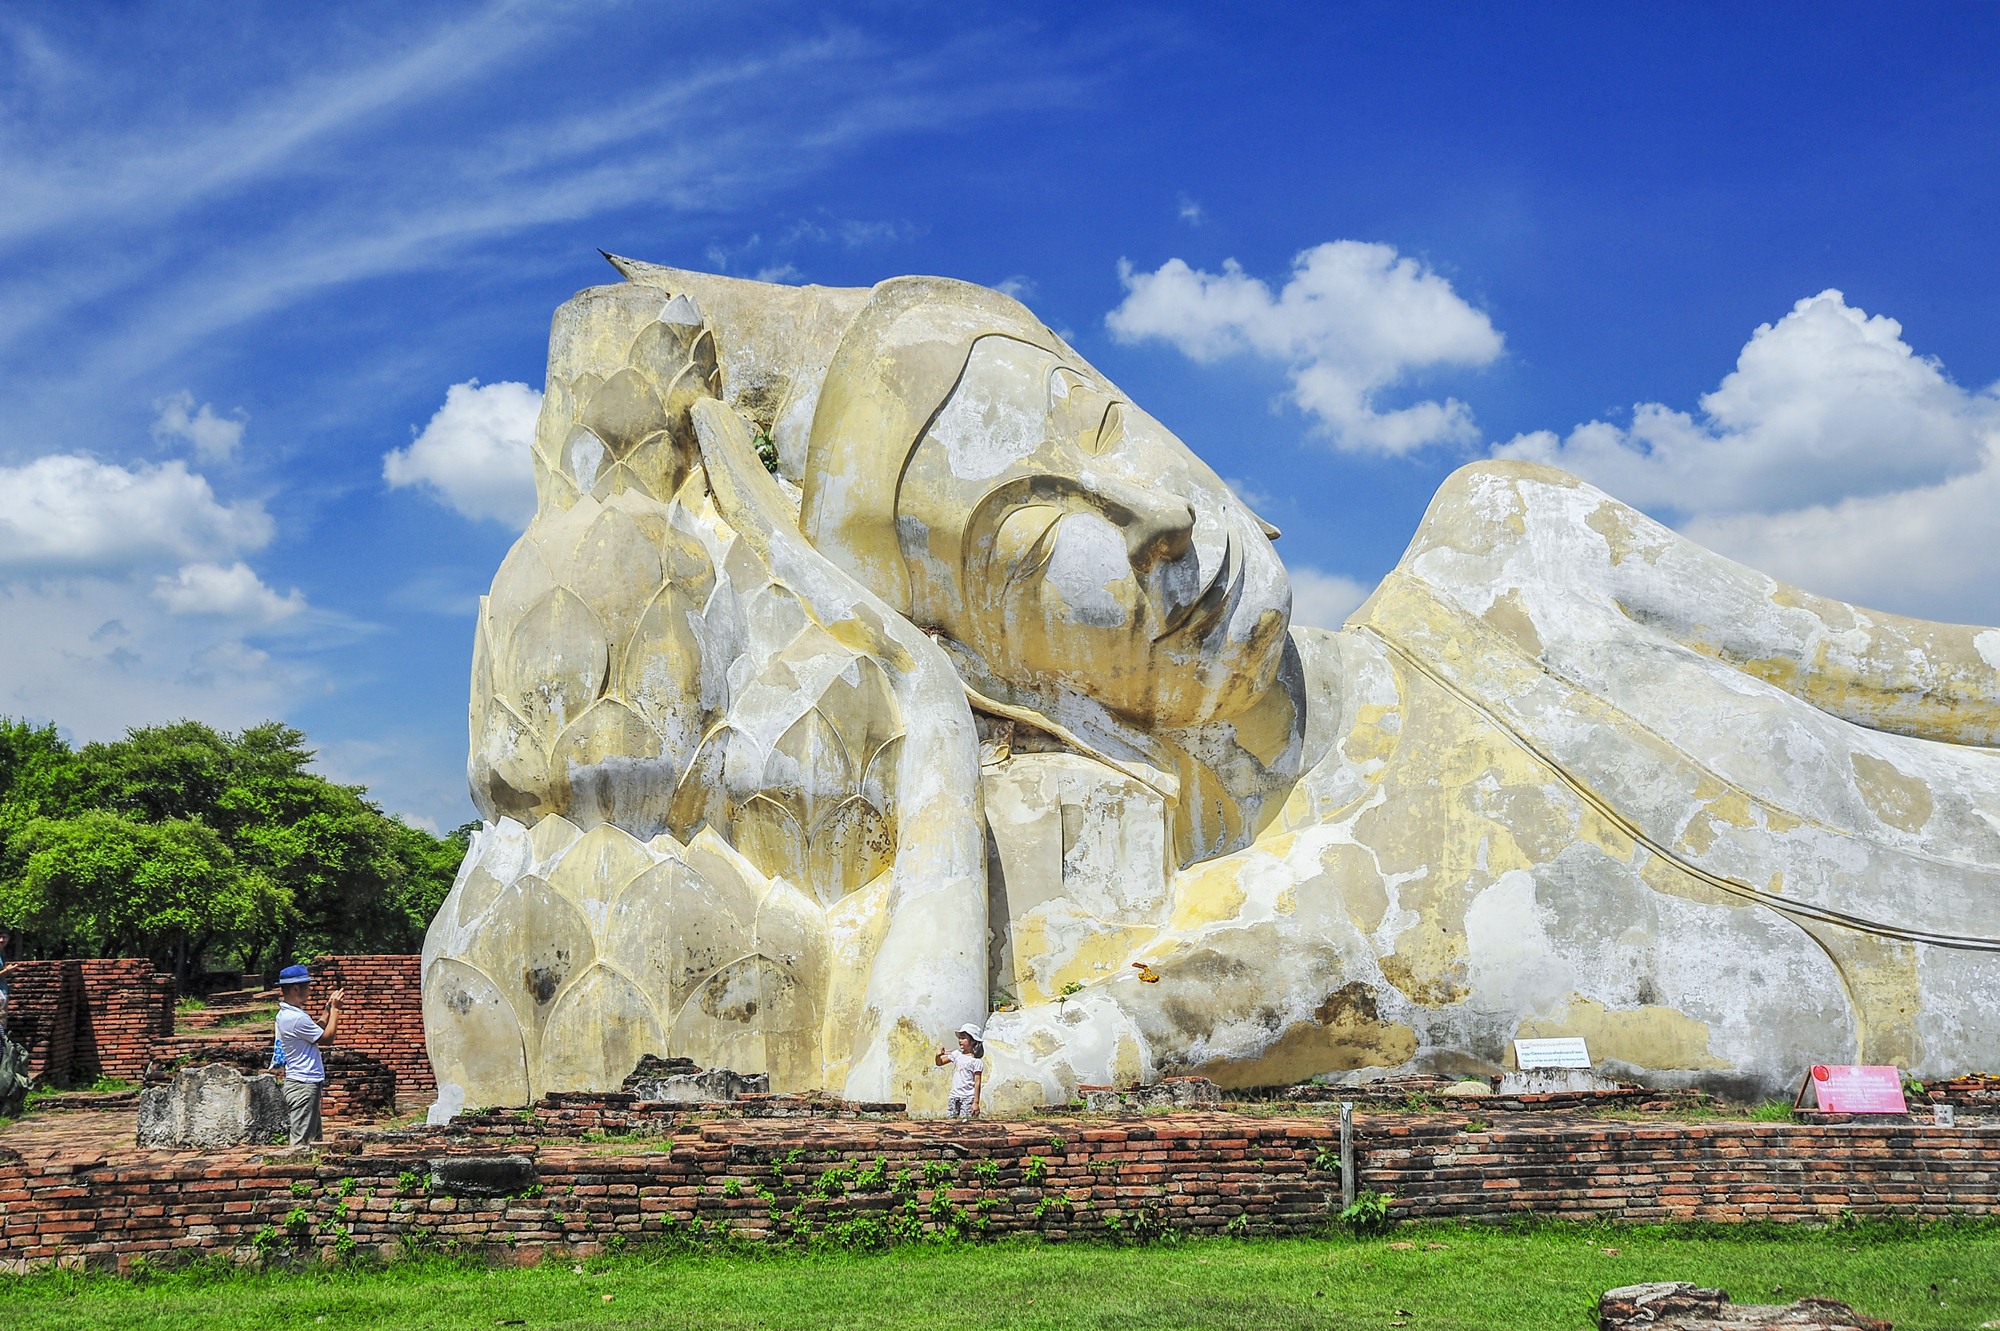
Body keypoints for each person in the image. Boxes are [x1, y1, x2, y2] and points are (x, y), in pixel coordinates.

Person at [274, 964, 342, 1145]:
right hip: (303, 1084)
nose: (310, 990)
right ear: (296, 988)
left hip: (304, 1081)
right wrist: (336, 1010)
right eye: (307, 986)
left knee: (313, 1139)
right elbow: (327, 1038)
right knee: (301, 1143)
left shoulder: (289, 1014)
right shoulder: (296, 1018)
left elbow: (315, 1033)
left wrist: (327, 1009)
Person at [934, 1023, 983, 1119]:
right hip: (954, 1096)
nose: (960, 1041)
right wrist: (938, 1055)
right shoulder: (956, 1055)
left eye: (963, 1038)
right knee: (951, 1121)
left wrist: (976, 1102)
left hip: (968, 1097)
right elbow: (939, 1063)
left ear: (972, 1041)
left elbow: (977, 1083)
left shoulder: (976, 1061)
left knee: (965, 1122)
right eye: (959, 1038)